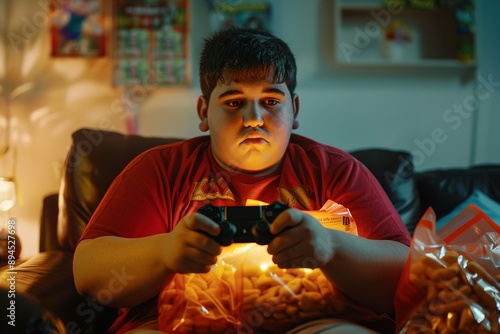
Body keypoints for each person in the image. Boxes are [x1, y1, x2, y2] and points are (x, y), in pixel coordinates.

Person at [73, 27, 412, 333]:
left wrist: (331, 247)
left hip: (316, 320)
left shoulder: (336, 171)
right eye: (235, 102)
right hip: (174, 322)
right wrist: (165, 251)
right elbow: (87, 272)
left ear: (294, 109)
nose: (254, 119)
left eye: (270, 102)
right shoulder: (159, 169)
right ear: (204, 112)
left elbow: (408, 276)